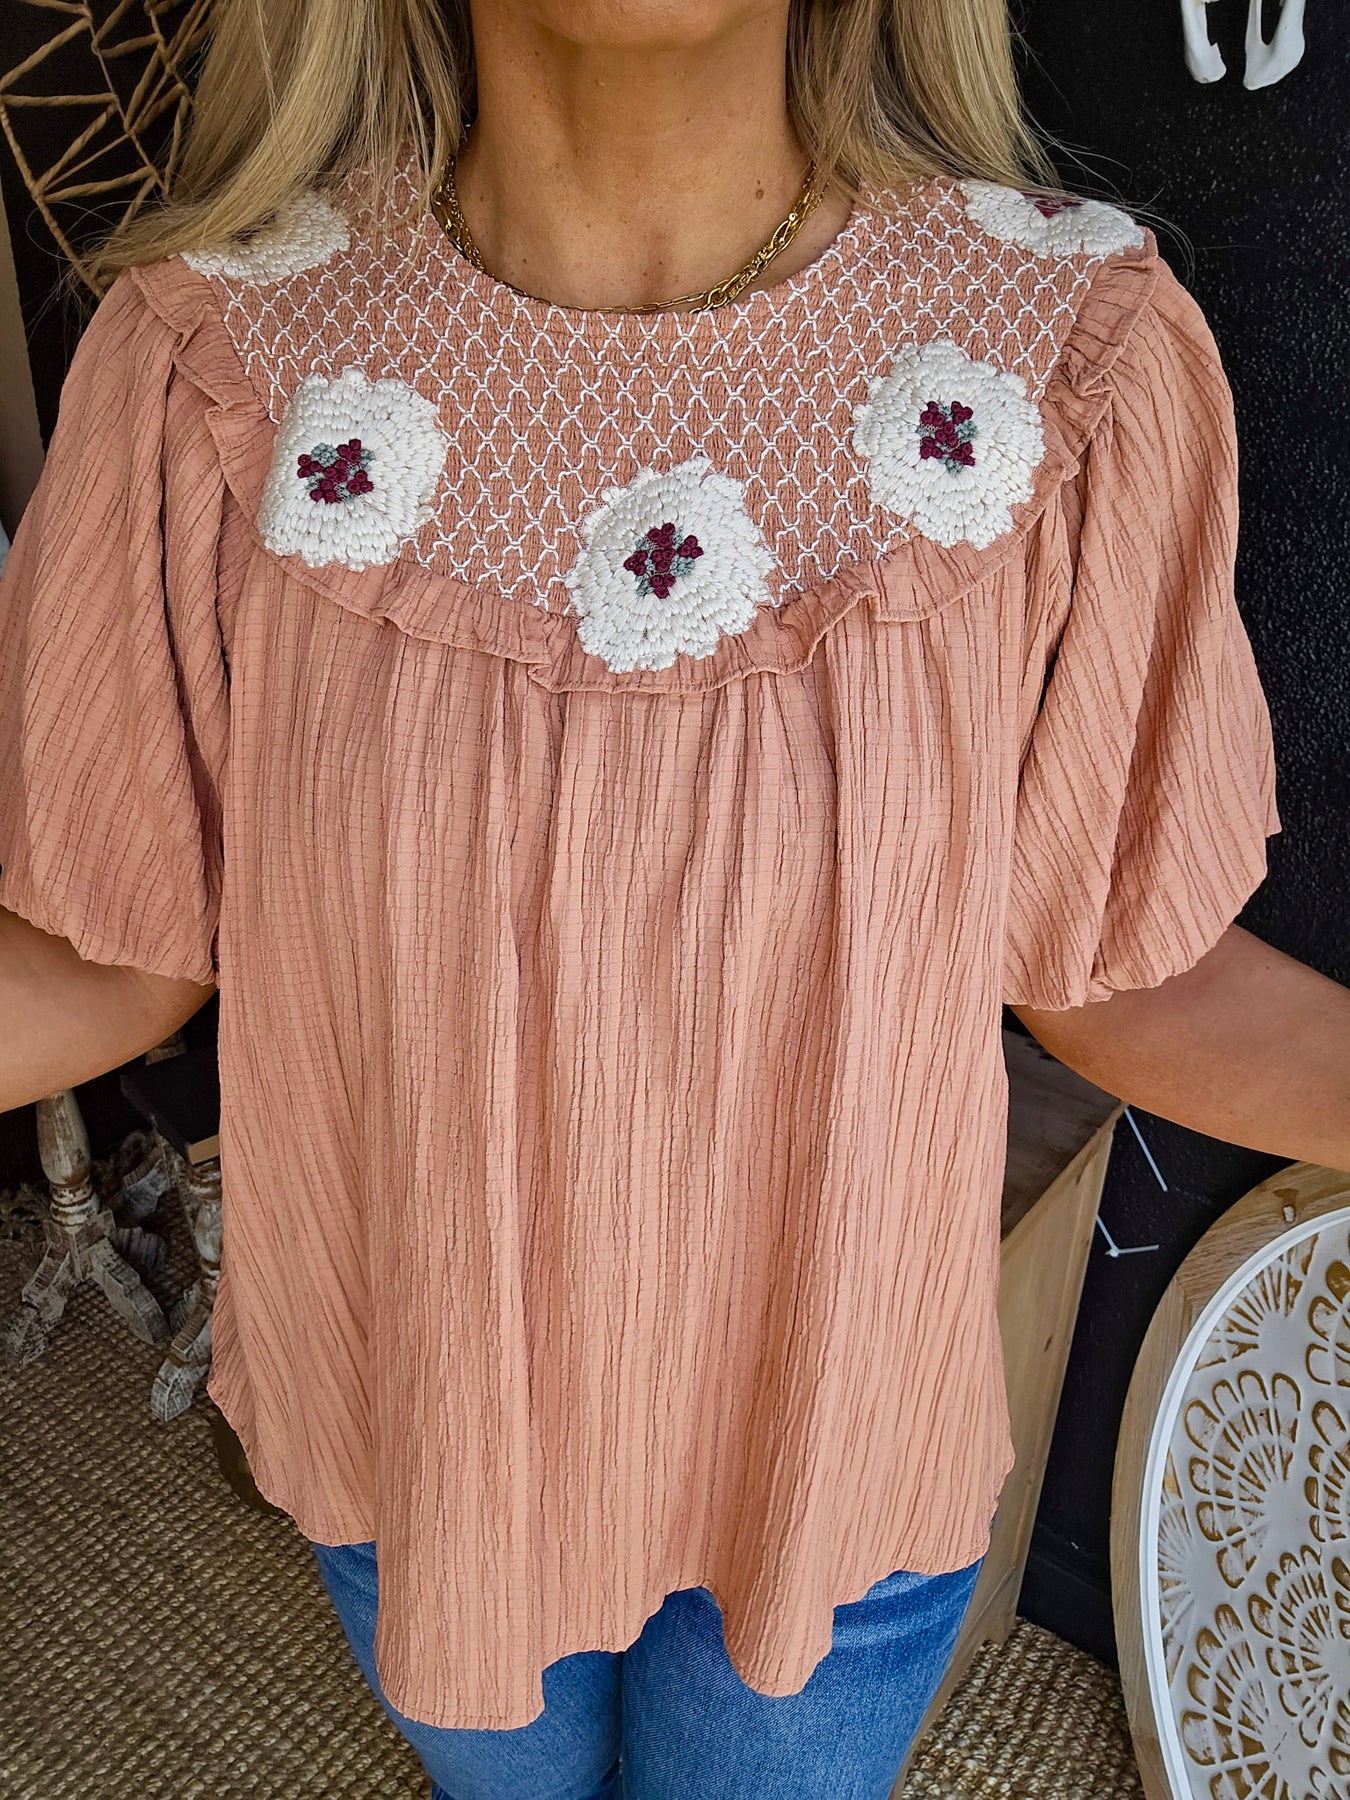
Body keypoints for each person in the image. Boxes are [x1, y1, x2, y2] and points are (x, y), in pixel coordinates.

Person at [0, 1, 1346, 1795]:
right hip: (419, 1442)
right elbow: (112, 958)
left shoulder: (1074, 358)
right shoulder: (203, 362)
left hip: (832, 1461)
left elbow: (1118, 967)